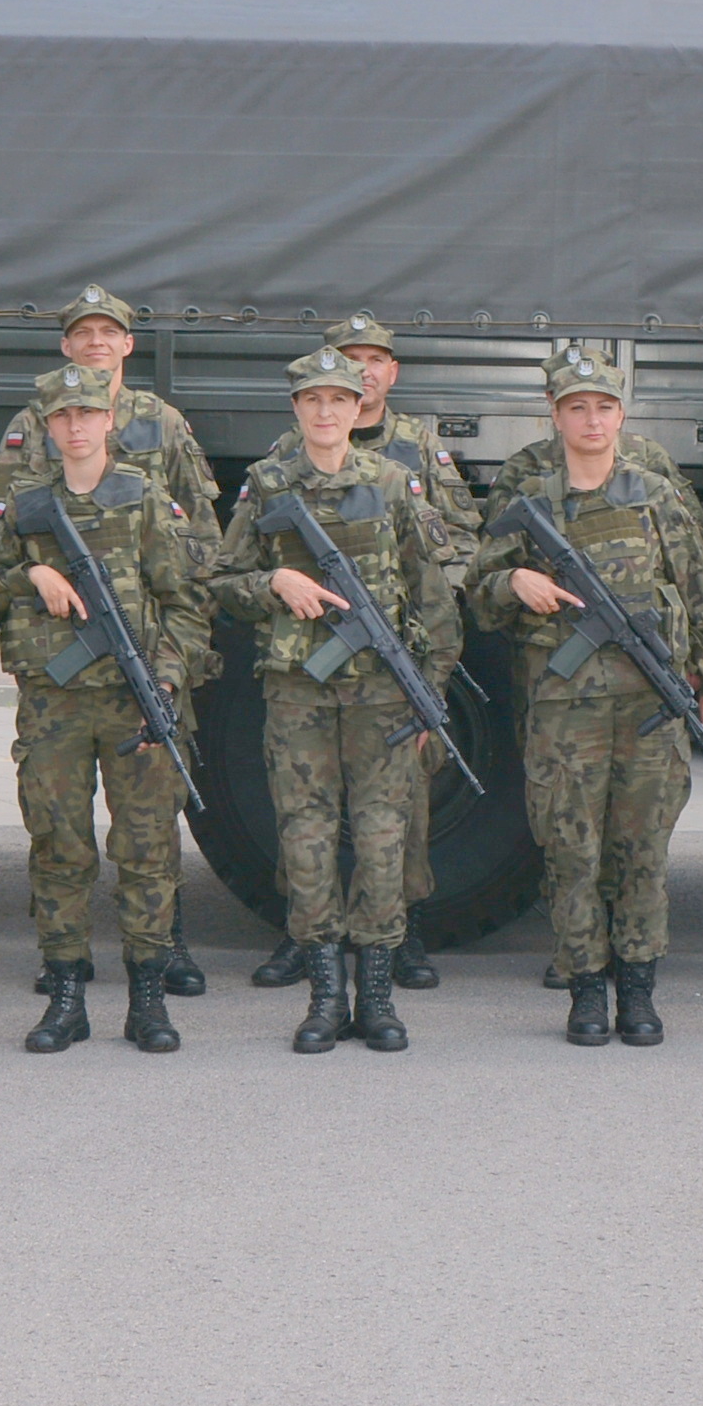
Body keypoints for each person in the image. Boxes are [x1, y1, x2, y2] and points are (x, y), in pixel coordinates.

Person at [463, 348, 703, 1047]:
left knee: (641, 848)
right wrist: (511, 583)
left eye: (604, 407)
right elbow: (478, 589)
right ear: (555, 416)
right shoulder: (530, 503)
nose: (592, 419)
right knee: (571, 849)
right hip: (563, 706)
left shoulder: (656, 495)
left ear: (621, 416)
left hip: (650, 702)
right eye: (577, 407)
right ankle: (586, 988)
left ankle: (638, 988)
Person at [216, 345, 462, 1054]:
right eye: (312, 401)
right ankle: (326, 998)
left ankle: (377, 997)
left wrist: (431, 698)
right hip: (299, 693)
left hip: (383, 698)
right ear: (296, 409)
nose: (326, 412)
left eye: (339, 400)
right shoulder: (266, 486)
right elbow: (220, 582)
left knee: (384, 843)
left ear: (360, 409)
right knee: (306, 839)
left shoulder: (391, 483)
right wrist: (273, 586)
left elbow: (432, 596)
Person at [0, 286, 220, 999]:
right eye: (81, 332)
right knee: (58, 833)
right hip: (57, 684)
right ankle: (65, 965)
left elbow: (193, 553)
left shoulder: (159, 439)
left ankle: (159, 955)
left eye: (107, 332)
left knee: (149, 834)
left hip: (136, 669)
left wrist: (176, 665)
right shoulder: (32, 427)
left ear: (126, 345)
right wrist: (34, 572)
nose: (94, 342)